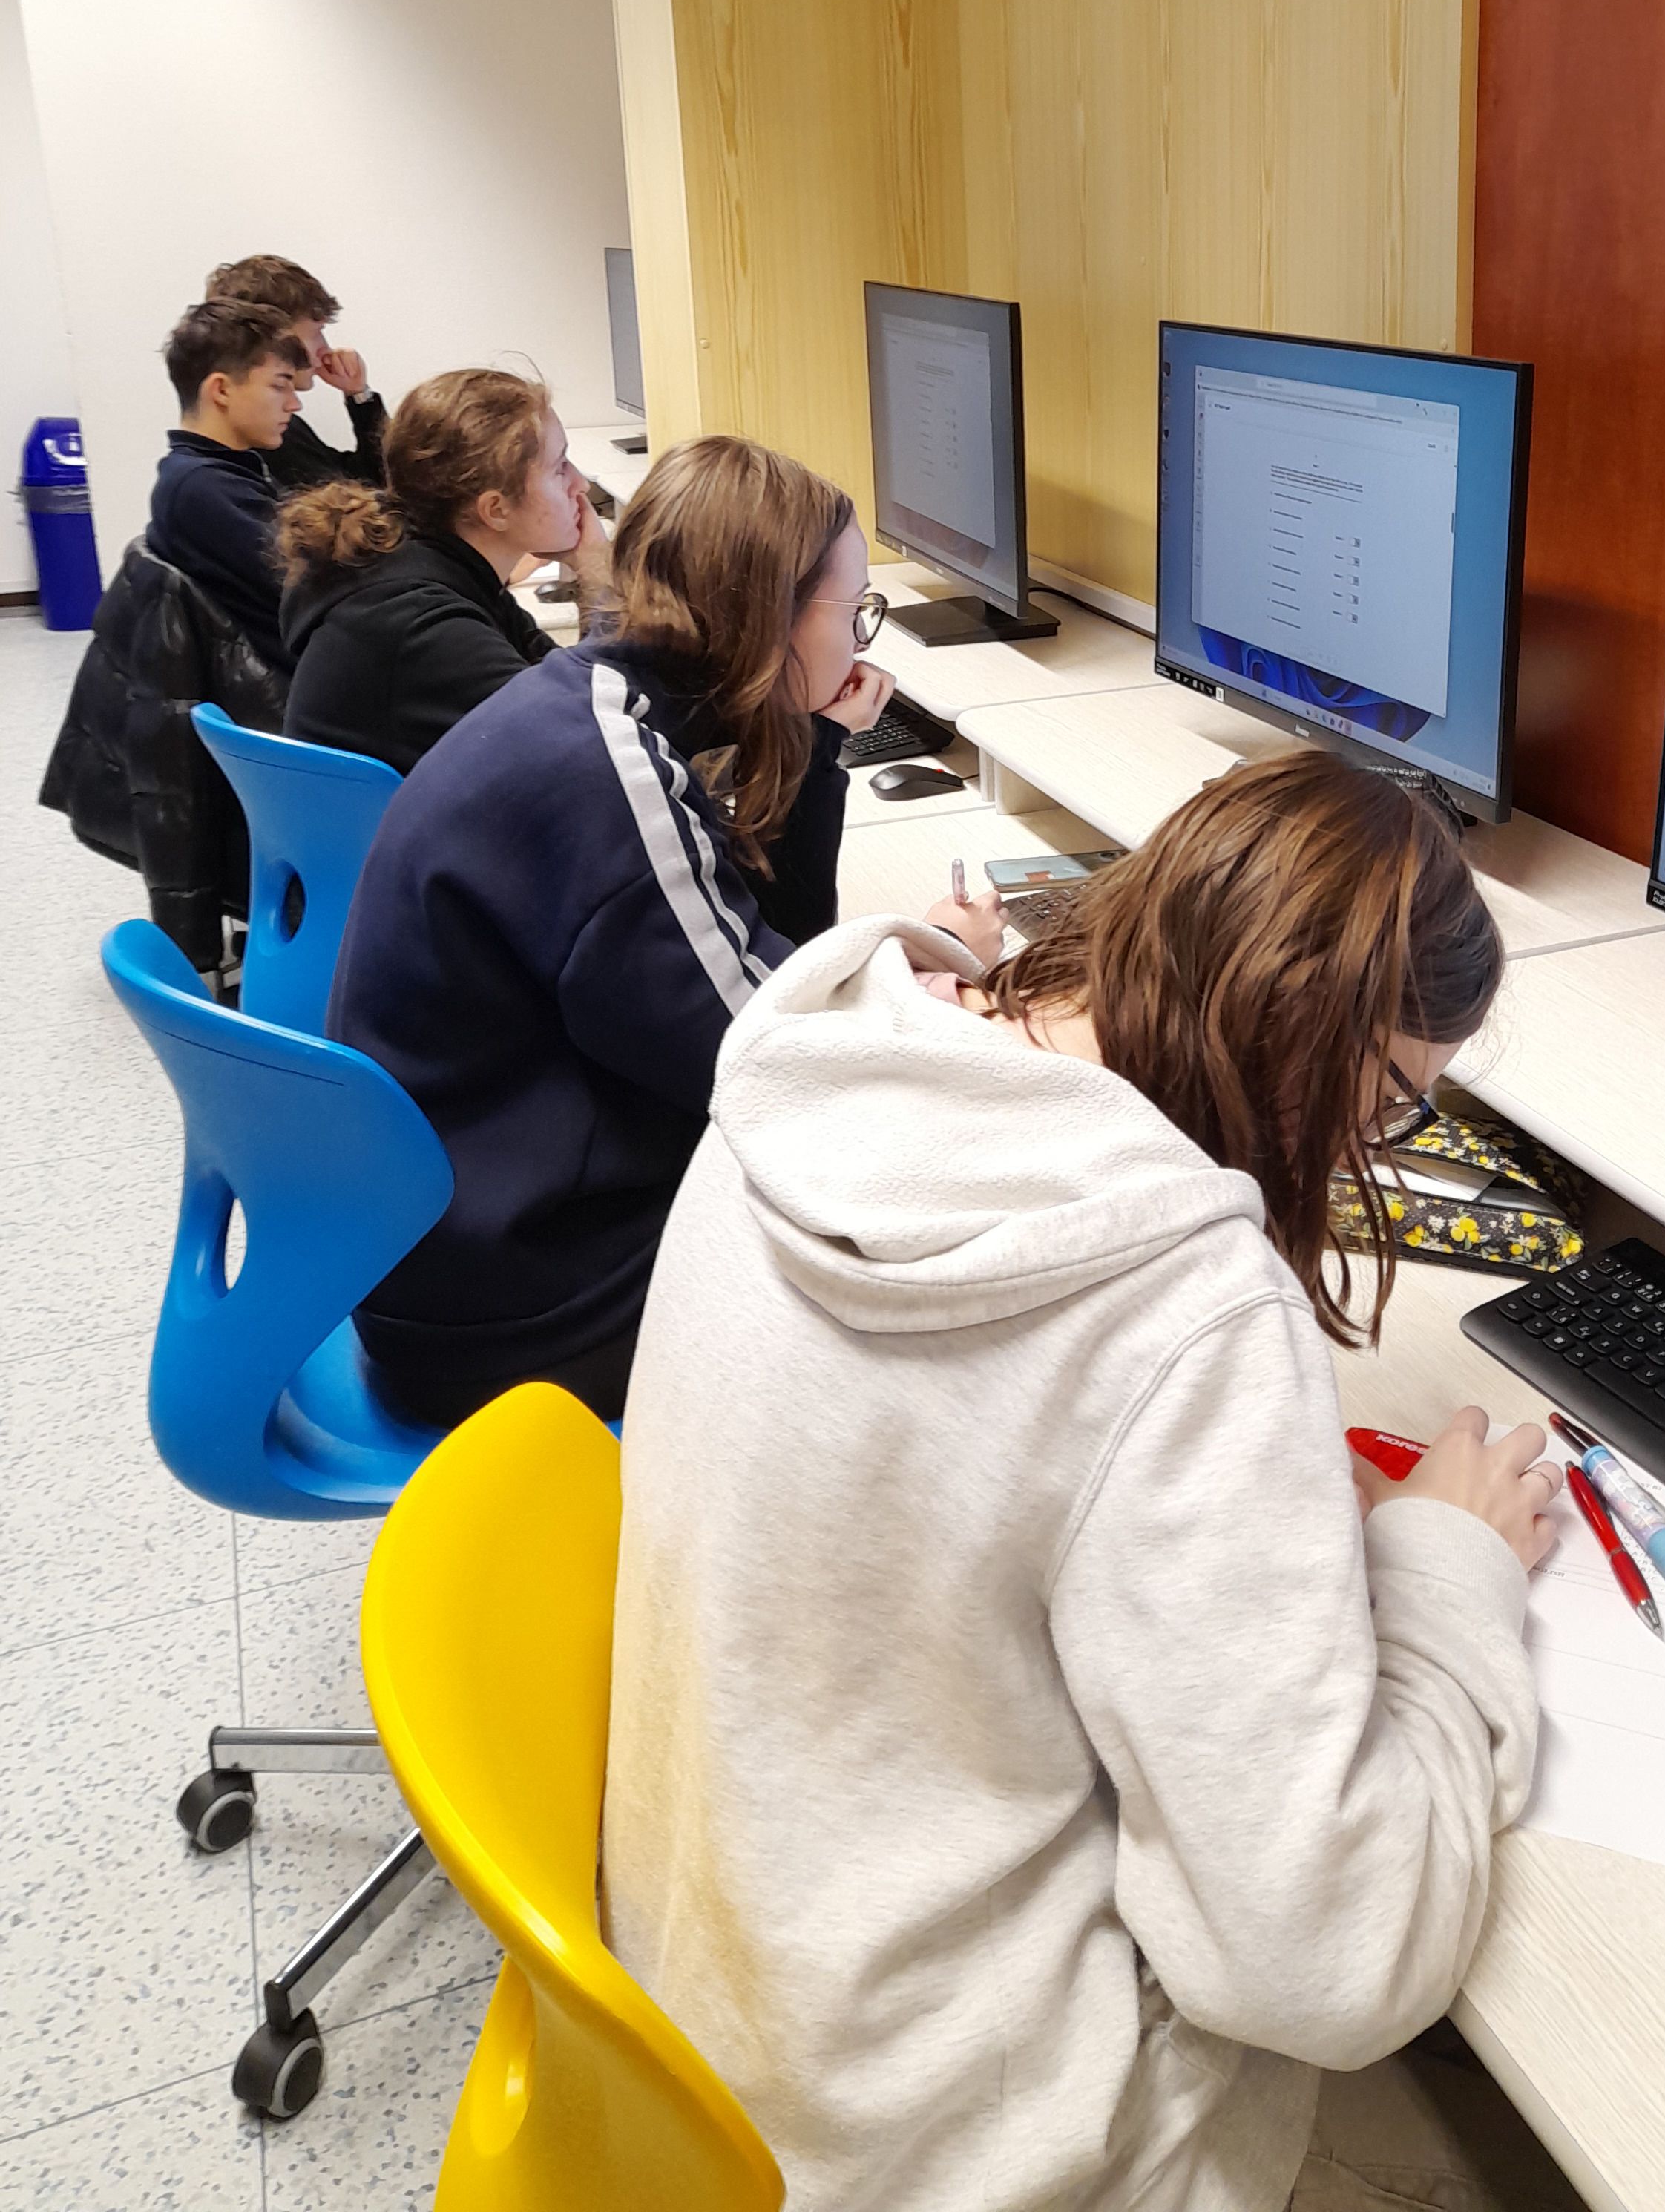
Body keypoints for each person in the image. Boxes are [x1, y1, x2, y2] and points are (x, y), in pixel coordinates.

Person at [604, 748, 1563, 2212]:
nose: (1363, 1157)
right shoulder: (1180, 1308)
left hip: (708, 2026)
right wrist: (1448, 1574)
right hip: (935, 2144)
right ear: (1319, 1057)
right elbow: (1325, 1965)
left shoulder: (819, 1063)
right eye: (1386, 1114)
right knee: (1502, 2132)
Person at [330, 433, 992, 1427]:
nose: (862, 644)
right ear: (768, 619)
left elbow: (758, 944)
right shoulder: (607, 779)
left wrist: (815, 742)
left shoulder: (594, 703)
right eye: (853, 611)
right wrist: (950, 967)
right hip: (516, 1311)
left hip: (465, 1229)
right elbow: (780, 1059)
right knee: (935, 1233)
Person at [278, 368, 606, 776]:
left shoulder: (443, 572)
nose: (581, 486)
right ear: (496, 510)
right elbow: (598, 737)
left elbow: (568, 686)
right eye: (560, 468)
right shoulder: (423, 625)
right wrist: (596, 572)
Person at [146, 298, 309, 669]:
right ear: (221, 390)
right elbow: (318, 586)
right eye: (280, 386)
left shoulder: (217, 472)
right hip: (293, 683)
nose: (294, 404)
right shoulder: (204, 489)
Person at [205, 252, 389, 496]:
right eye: (315, 333)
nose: (325, 349)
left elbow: (366, 481)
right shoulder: (260, 433)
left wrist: (359, 395)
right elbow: (362, 497)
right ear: (276, 339)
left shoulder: (280, 423)